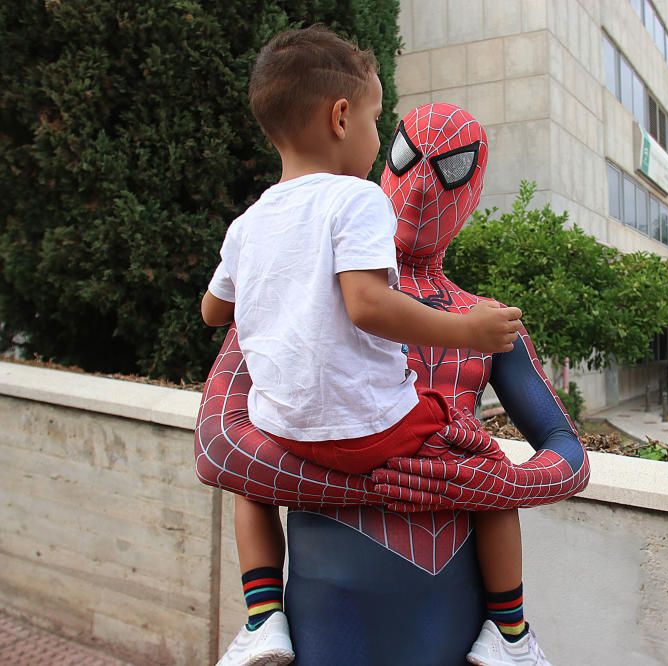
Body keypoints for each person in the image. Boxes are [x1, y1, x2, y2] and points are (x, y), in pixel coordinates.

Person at [200, 28, 548, 666]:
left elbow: (212, 311)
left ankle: (260, 618)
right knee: (492, 478)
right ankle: (511, 632)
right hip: (375, 428)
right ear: (341, 119)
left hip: (285, 429)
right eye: (378, 123)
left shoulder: (248, 224)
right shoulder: (356, 199)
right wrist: (467, 331)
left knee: (248, 491)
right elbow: (367, 304)